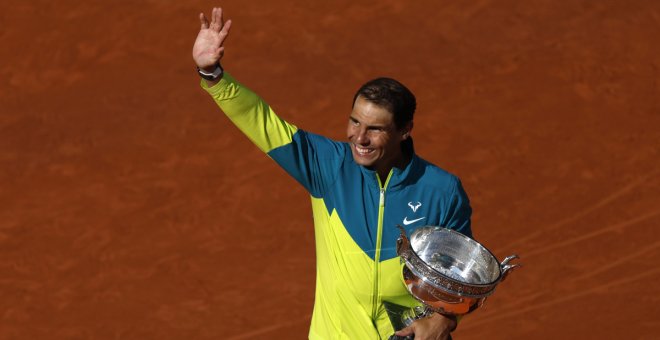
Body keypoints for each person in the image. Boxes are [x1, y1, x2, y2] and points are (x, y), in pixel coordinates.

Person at [192, 7, 473, 340]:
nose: (359, 138)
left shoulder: (441, 191)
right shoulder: (328, 167)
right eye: (355, 121)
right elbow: (262, 122)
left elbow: (460, 281)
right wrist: (212, 74)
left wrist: (442, 322)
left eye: (375, 129)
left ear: (405, 130)